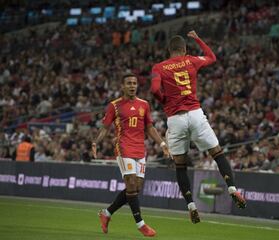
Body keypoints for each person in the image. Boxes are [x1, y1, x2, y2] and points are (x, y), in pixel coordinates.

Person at [151, 30, 246, 224]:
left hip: (175, 118)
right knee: (217, 154)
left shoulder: (159, 67)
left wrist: (164, 101)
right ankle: (233, 190)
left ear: (169, 50)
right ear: (185, 49)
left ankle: (191, 206)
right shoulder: (192, 60)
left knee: (180, 165)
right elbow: (212, 56)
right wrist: (198, 39)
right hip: (195, 114)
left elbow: (153, 89)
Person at [92, 73, 170, 237]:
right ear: (123, 86)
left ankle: (106, 213)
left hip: (140, 149)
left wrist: (162, 143)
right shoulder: (114, 105)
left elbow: (149, 128)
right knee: (132, 183)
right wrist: (95, 142)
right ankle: (141, 224)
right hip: (123, 147)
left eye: (134, 83)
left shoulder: (144, 105)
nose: (132, 86)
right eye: (129, 83)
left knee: (135, 188)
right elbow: (105, 128)